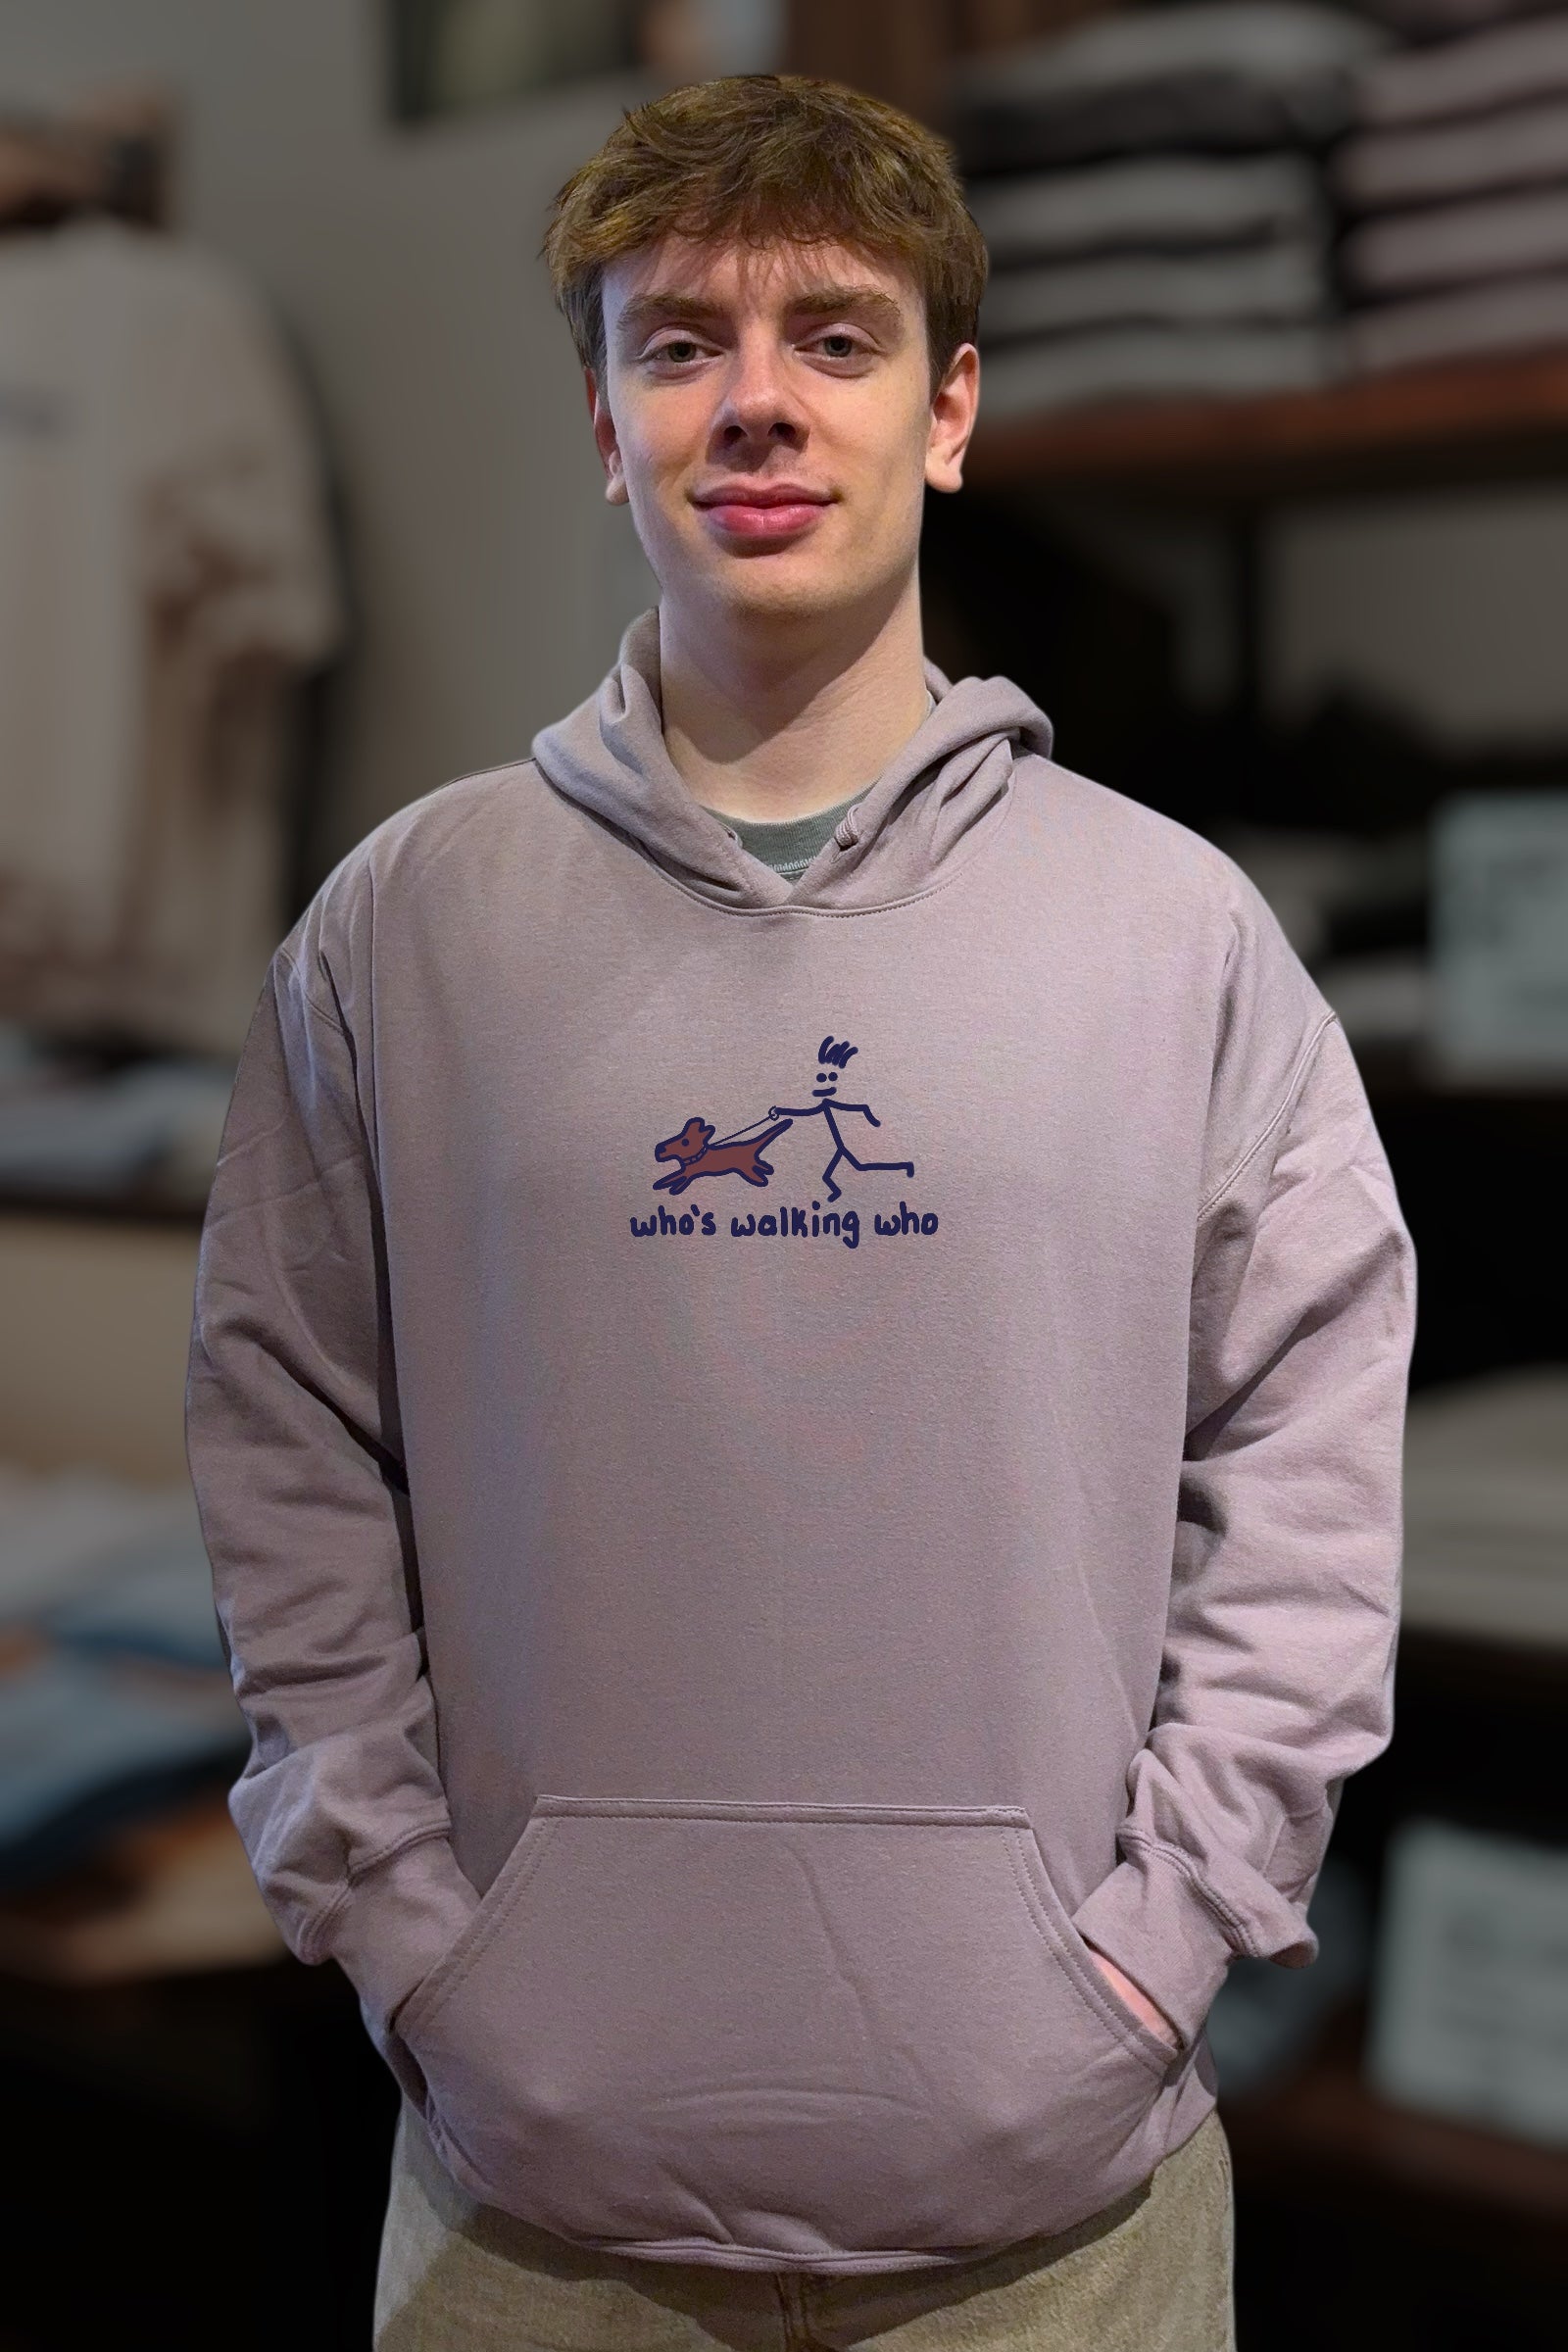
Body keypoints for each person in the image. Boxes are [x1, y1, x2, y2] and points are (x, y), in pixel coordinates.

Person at [184, 71, 1415, 2352]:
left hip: (1063, 2215)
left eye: (833, 338)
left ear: (946, 412)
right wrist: (412, 1937)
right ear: (605, 422)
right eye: (680, 344)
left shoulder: (1177, 935)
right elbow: (284, 1449)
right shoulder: (402, 932)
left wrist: (1160, 1947)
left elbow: (1307, 1477)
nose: (755, 402)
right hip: (527, 2203)